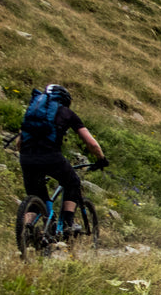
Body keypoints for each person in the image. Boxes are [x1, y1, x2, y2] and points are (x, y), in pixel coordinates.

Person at [18, 83, 106, 238]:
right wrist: (101, 159)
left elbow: (19, 142)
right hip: (51, 157)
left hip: (27, 158)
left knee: (36, 198)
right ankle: (68, 224)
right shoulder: (66, 113)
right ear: (65, 99)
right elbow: (91, 143)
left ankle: (26, 234)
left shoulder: (33, 112)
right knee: (72, 182)